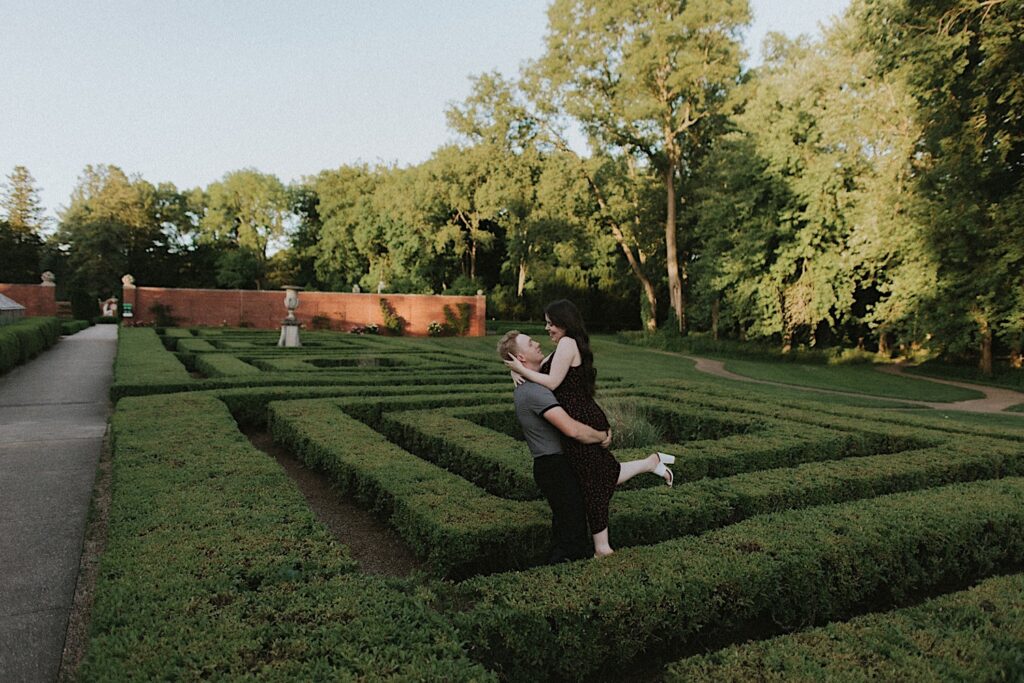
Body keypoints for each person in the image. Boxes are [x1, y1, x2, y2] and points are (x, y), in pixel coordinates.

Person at [505, 300, 673, 558]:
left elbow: (550, 381)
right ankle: (651, 462)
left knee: (593, 482)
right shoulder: (560, 348)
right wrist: (516, 372)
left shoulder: (567, 343)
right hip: (581, 417)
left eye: (551, 323)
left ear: (564, 322)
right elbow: (537, 367)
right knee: (603, 473)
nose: (547, 328)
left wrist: (519, 370)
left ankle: (602, 548)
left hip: (583, 418)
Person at [497, 330, 612, 563]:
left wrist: (515, 371)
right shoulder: (535, 392)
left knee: (566, 529)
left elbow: (559, 357)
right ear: (521, 358)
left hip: (554, 465)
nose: (537, 343)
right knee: (572, 536)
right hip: (555, 467)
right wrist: (602, 436)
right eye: (530, 343)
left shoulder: (532, 383)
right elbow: (572, 429)